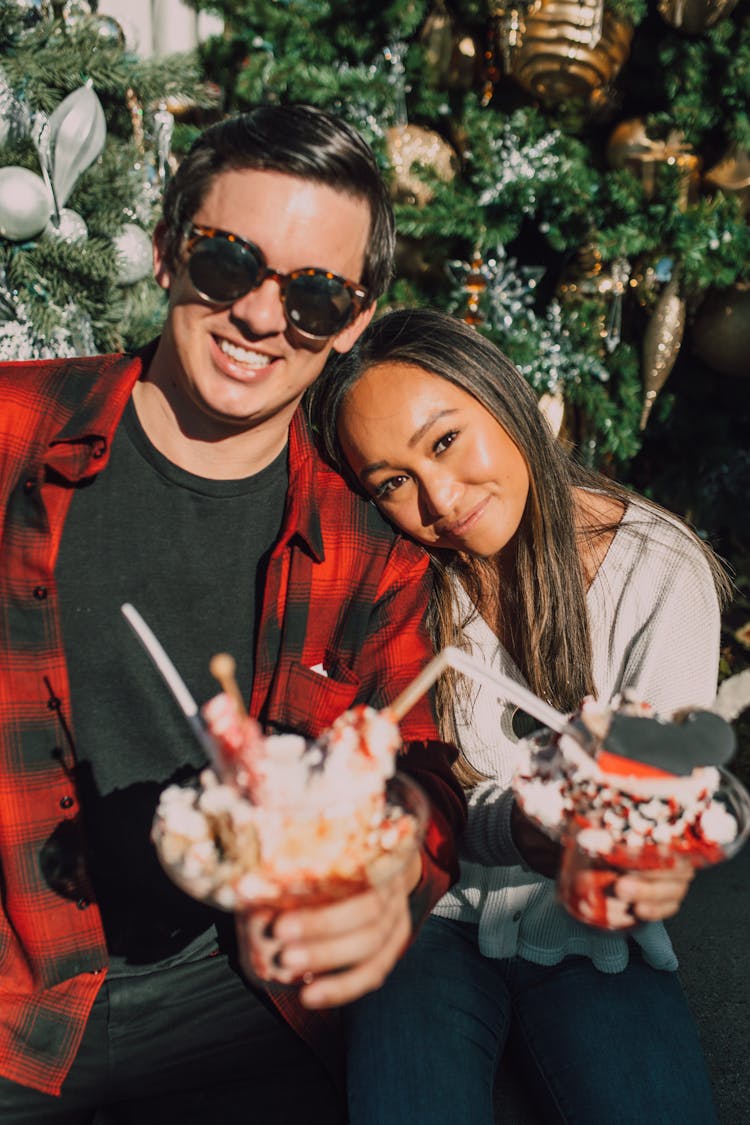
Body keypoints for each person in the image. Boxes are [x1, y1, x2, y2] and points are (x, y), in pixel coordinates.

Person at [0, 109, 467, 1123]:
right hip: (13, 1000)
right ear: (170, 251)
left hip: (249, 1001)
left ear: (352, 319)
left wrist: (393, 859)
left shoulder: (373, 541)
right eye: (227, 263)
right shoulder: (8, 432)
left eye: (314, 294)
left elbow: (418, 766)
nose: (261, 316)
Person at [309, 305, 732, 1125]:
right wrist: (517, 827)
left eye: (443, 439)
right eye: (391, 482)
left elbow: (658, 805)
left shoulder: (656, 568)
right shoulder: (400, 579)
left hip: (591, 932)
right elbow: (394, 793)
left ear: (501, 395)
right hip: (428, 918)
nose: (438, 497)